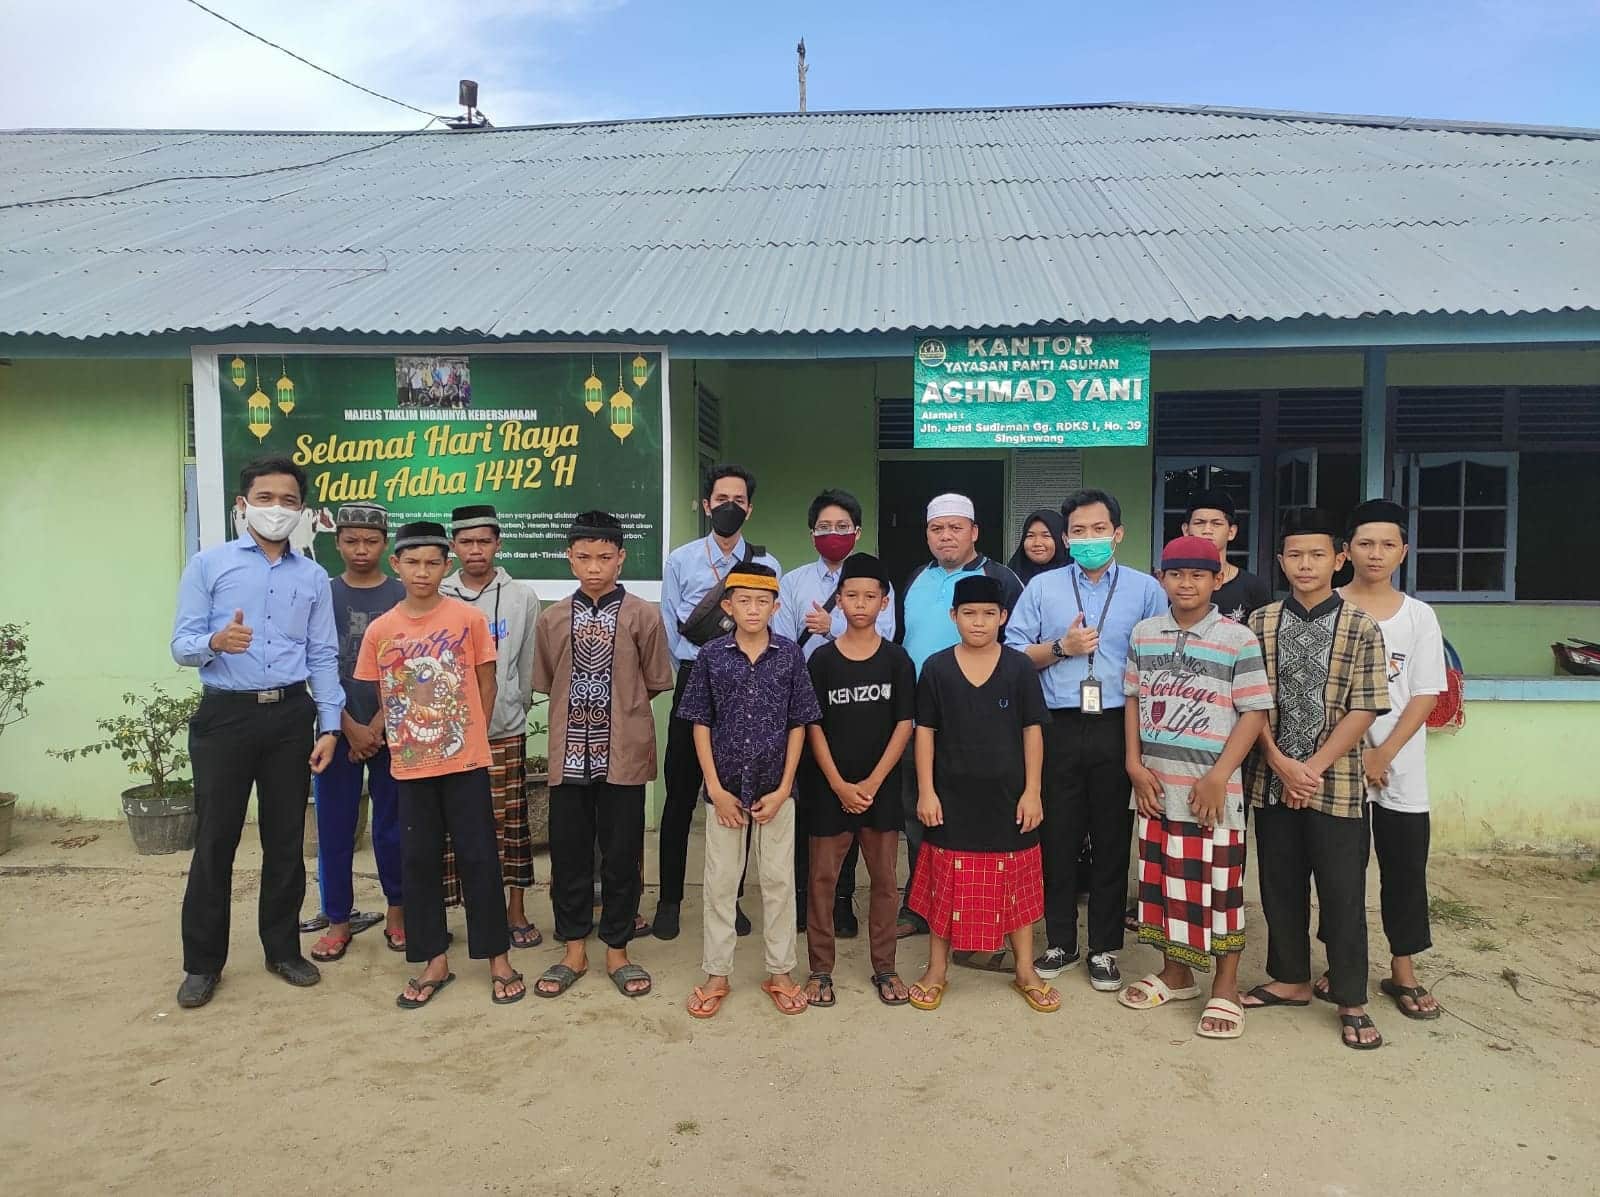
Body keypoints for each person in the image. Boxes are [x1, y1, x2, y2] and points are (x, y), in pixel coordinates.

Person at [169, 456, 344, 1009]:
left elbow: (323, 654)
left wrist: (330, 725)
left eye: (288, 501)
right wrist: (215, 643)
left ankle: (282, 950)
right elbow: (181, 645)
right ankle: (202, 964)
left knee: (286, 839)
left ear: (302, 510)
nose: (276, 509)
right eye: (265, 498)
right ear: (242, 505)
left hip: (291, 717)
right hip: (226, 717)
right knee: (216, 840)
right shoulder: (209, 565)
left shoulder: (312, 576)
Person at [355, 521, 525, 1009]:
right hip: (411, 767)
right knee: (419, 861)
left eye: (432, 563)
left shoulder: (468, 619)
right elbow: (386, 693)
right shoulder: (381, 630)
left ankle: (497, 957)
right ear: (396, 565)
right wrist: (395, 737)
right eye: (412, 562)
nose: (422, 572)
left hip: (465, 762)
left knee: (480, 857)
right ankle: (433, 960)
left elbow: (487, 682)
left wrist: (474, 736)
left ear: (446, 566)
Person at [1240, 507, 1389, 1051]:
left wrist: (1313, 767)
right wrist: (1280, 762)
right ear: (1280, 561)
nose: (1306, 565)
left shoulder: (1361, 626)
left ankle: (1350, 997)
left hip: (1338, 783)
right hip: (1270, 778)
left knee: (1342, 892)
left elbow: (1365, 706)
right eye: (1295, 555)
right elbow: (1249, 702)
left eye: (1317, 555)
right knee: (1279, 885)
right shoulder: (1259, 624)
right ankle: (1291, 978)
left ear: (1339, 559)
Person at [1005, 488, 1166, 991]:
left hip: (1119, 722)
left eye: (1099, 529)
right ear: (1066, 537)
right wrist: (1062, 647)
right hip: (1058, 723)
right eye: (1078, 531)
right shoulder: (1043, 588)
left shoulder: (1145, 590)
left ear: (1117, 534)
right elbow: (1013, 654)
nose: (1089, 538)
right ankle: (1060, 941)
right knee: (1058, 835)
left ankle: (1104, 947)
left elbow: (1159, 657)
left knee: (1112, 838)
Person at [1119, 536, 1273, 1039]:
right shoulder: (1144, 633)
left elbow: (1254, 712)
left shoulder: (1237, 638)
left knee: (1220, 889)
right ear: (1161, 578)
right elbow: (1133, 699)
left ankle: (1224, 988)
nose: (1186, 584)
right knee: (1163, 883)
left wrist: (1218, 776)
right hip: (1156, 785)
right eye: (1176, 574)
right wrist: (1134, 764)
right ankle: (1176, 974)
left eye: (1198, 575)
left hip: (1212, 792)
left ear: (1217, 579)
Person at [531, 512, 675, 999]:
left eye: (604, 557)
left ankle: (617, 949)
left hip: (623, 756)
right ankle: (573, 949)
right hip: (568, 755)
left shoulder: (643, 615)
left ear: (621, 559)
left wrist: (619, 712)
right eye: (585, 557)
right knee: (569, 854)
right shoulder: (552, 619)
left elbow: (654, 680)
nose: (595, 567)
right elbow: (547, 679)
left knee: (621, 855)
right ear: (570, 559)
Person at [905, 574, 1057, 1013]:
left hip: (1010, 797)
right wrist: (926, 791)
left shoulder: (1019, 667)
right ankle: (937, 969)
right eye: (969, 613)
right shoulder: (936, 668)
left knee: (1016, 882)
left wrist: (1033, 791)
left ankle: (1024, 969)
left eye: (989, 614)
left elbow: (1032, 730)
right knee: (946, 884)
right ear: (953, 615)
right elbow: (925, 732)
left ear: (1003, 617)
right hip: (950, 797)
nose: (978, 622)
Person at [678, 562, 821, 1018]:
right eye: (744, 601)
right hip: (725, 790)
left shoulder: (790, 655)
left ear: (776, 607)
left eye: (763, 601)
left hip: (776, 789)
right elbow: (700, 722)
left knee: (778, 881)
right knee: (721, 882)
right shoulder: (711, 655)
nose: (753, 609)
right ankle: (717, 973)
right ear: (728, 606)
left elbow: (799, 722)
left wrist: (784, 788)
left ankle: (780, 971)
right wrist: (715, 788)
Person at [652, 464, 781, 942]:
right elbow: (669, 625)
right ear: (707, 505)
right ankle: (669, 900)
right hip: (695, 677)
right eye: (721, 498)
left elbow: (770, 626)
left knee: (738, 794)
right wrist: (697, 667)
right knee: (681, 794)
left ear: (750, 508)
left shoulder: (766, 565)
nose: (730, 506)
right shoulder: (681, 560)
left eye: (739, 500)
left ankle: (732, 899)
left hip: (747, 683)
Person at [1331, 499, 1446, 1020]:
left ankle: (1403, 968)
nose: (1375, 554)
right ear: (1346, 551)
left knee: (1404, 868)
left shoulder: (1419, 616)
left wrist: (1385, 751)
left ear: (1403, 551)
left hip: (1400, 765)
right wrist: (1354, 753)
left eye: (1386, 544)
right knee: (1340, 871)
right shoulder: (1328, 605)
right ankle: (1340, 965)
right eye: (1365, 543)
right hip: (1337, 765)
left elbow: (1425, 692)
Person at [895, 493, 1022, 938]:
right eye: (937, 529)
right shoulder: (916, 578)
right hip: (919, 721)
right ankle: (919, 906)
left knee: (976, 815)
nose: (946, 536)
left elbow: (1019, 649)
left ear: (974, 532)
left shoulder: (1001, 578)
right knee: (918, 814)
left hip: (980, 725)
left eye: (955, 527)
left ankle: (978, 910)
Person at [774, 488, 896, 936]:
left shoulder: (877, 582)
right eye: (824, 527)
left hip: (859, 705)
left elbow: (886, 634)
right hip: (804, 704)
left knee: (853, 809)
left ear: (857, 531)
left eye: (842, 526)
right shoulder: (793, 582)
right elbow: (783, 641)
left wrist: (833, 627)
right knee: (810, 805)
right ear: (811, 533)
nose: (833, 534)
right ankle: (805, 898)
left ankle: (843, 902)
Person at [800, 553, 915, 1007]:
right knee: (822, 880)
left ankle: (885, 967)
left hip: (880, 790)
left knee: (884, 882)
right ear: (839, 600)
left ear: (884, 602)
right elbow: (813, 726)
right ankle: (820, 970)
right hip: (830, 789)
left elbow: (904, 725)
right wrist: (839, 784)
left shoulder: (897, 660)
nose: (861, 604)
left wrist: (871, 782)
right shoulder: (822, 660)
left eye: (870, 596)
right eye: (851, 596)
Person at [440, 504, 543, 949]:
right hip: (448, 737)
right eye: (466, 542)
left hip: (504, 728)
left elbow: (527, 662)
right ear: (453, 546)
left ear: (498, 543)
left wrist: (513, 706)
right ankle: (467, 913)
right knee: (455, 828)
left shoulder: (521, 597)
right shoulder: (438, 593)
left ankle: (515, 910)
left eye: (484, 541)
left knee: (511, 825)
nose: (476, 549)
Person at [307, 503, 407, 962]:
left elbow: (412, 668)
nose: (361, 550)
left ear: (385, 545)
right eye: (351, 541)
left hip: (395, 731)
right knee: (334, 828)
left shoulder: (403, 595)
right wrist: (346, 725)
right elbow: (313, 665)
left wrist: (378, 726)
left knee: (394, 827)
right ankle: (338, 920)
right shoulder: (322, 594)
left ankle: (397, 912)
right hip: (334, 732)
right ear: (337, 543)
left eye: (370, 541)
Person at [1183, 490, 1272, 623]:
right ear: (1186, 530)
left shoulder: (1253, 587)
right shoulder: (1176, 586)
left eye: (1216, 524)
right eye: (1199, 523)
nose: (1207, 530)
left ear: (1231, 532)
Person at [1007, 508, 1068, 587]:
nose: (1037, 543)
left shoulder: (1077, 577)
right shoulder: (1009, 578)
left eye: (1046, 536)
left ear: (1061, 539)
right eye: (1030, 536)